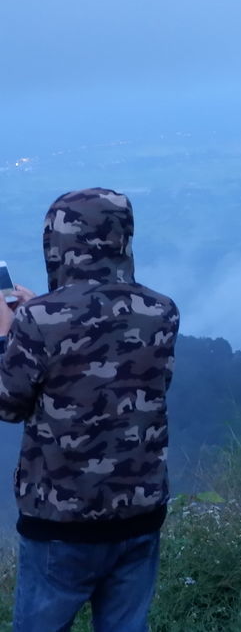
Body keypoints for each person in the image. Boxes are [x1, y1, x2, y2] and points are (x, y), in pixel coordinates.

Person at [0, 188, 179, 632]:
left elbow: (8, 402)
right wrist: (32, 317)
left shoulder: (39, 321)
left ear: (57, 243)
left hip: (63, 521)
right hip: (140, 513)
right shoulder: (162, 311)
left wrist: (9, 334)